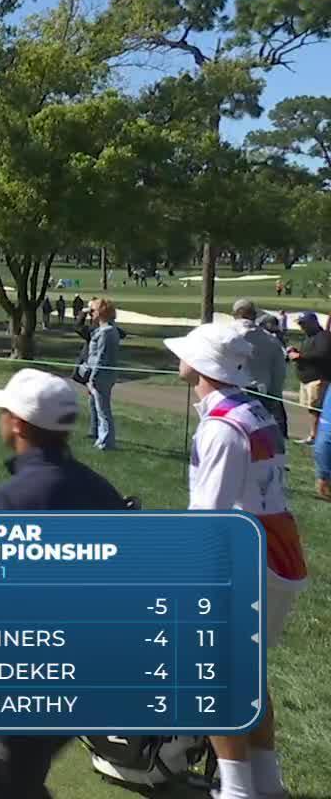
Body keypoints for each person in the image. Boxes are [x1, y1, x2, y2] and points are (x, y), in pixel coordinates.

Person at [0, 368, 128, 799]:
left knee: (2, 786)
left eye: (5, 410)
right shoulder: (100, 490)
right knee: (20, 781)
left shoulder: (14, 499)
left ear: (18, 423)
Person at [165, 323, 308, 799]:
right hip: (276, 549)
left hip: (247, 557)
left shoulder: (222, 427)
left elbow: (210, 519)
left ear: (203, 367)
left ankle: (238, 790)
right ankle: (266, 784)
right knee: (247, 674)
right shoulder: (253, 412)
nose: (178, 360)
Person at [231, 299, 289, 441]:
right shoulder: (270, 339)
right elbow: (278, 372)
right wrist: (274, 396)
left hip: (229, 391)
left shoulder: (224, 333)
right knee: (259, 438)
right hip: (261, 393)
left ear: (234, 314)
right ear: (254, 315)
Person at [77, 298, 122, 451]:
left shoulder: (106, 332)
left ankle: (106, 441)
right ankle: (102, 438)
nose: (91, 314)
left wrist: (92, 378)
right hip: (104, 375)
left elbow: (101, 358)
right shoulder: (108, 330)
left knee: (103, 411)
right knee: (100, 409)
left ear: (101, 313)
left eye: (93, 311)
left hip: (101, 376)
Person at [285, 310, 328, 441]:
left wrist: (300, 356)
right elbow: (310, 353)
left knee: (316, 409)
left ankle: (315, 436)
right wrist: (296, 352)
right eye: (300, 324)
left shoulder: (323, 336)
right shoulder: (309, 337)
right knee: (310, 408)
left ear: (313, 323)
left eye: (304, 324)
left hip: (318, 378)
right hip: (307, 379)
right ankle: (313, 434)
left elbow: (322, 354)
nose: (302, 327)